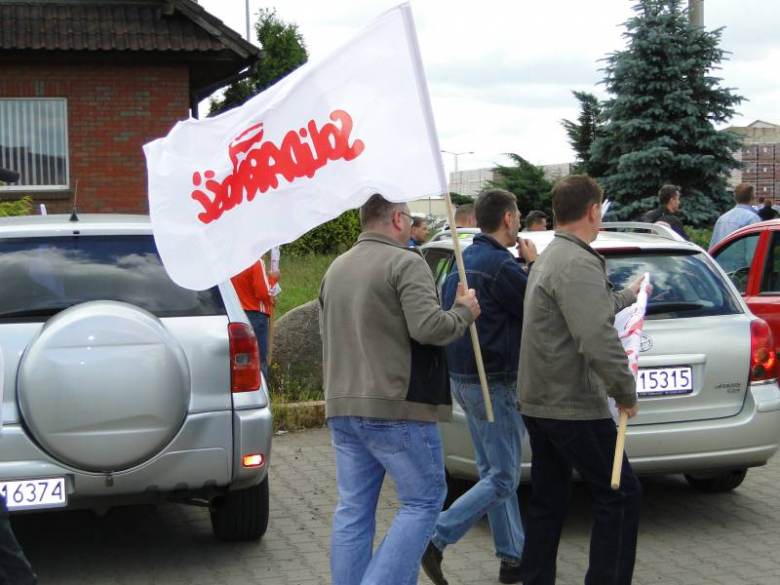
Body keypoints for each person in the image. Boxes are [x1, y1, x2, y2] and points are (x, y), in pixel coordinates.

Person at [320, 193, 480, 585]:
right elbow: (428, 328)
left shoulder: (336, 267)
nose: (412, 225)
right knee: (424, 500)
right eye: (410, 218)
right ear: (396, 218)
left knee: (354, 510)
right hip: (396, 407)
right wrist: (464, 312)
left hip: (343, 406)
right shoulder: (406, 261)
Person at [518, 175, 644, 585]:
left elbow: (592, 307)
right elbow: (596, 336)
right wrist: (625, 391)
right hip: (570, 405)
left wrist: (629, 293)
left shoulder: (554, 256)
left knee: (549, 500)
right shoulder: (578, 261)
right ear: (593, 211)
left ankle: (536, 577)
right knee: (621, 494)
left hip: (540, 399)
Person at [422, 189, 537, 585]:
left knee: (492, 472)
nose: (520, 219)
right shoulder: (501, 266)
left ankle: (513, 559)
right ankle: (435, 537)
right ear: (507, 218)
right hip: (496, 381)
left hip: (465, 379)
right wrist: (532, 267)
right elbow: (536, 308)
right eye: (518, 213)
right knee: (504, 476)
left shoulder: (463, 260)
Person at [230, 258, 280, 378]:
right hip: (256, 316)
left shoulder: (231, 263)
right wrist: (274, 279)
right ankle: (261, 393)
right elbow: (264, 292)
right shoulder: (256, 262)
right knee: (259, 360)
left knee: (242, 360)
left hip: (236, 314)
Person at [710, 183, 760, 250]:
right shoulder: (753, 219)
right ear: (753, 197)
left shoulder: (722, 219)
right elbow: (753, 251)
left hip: (718, 260)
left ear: (735, 197)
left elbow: (712, 248)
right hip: (741, 260)